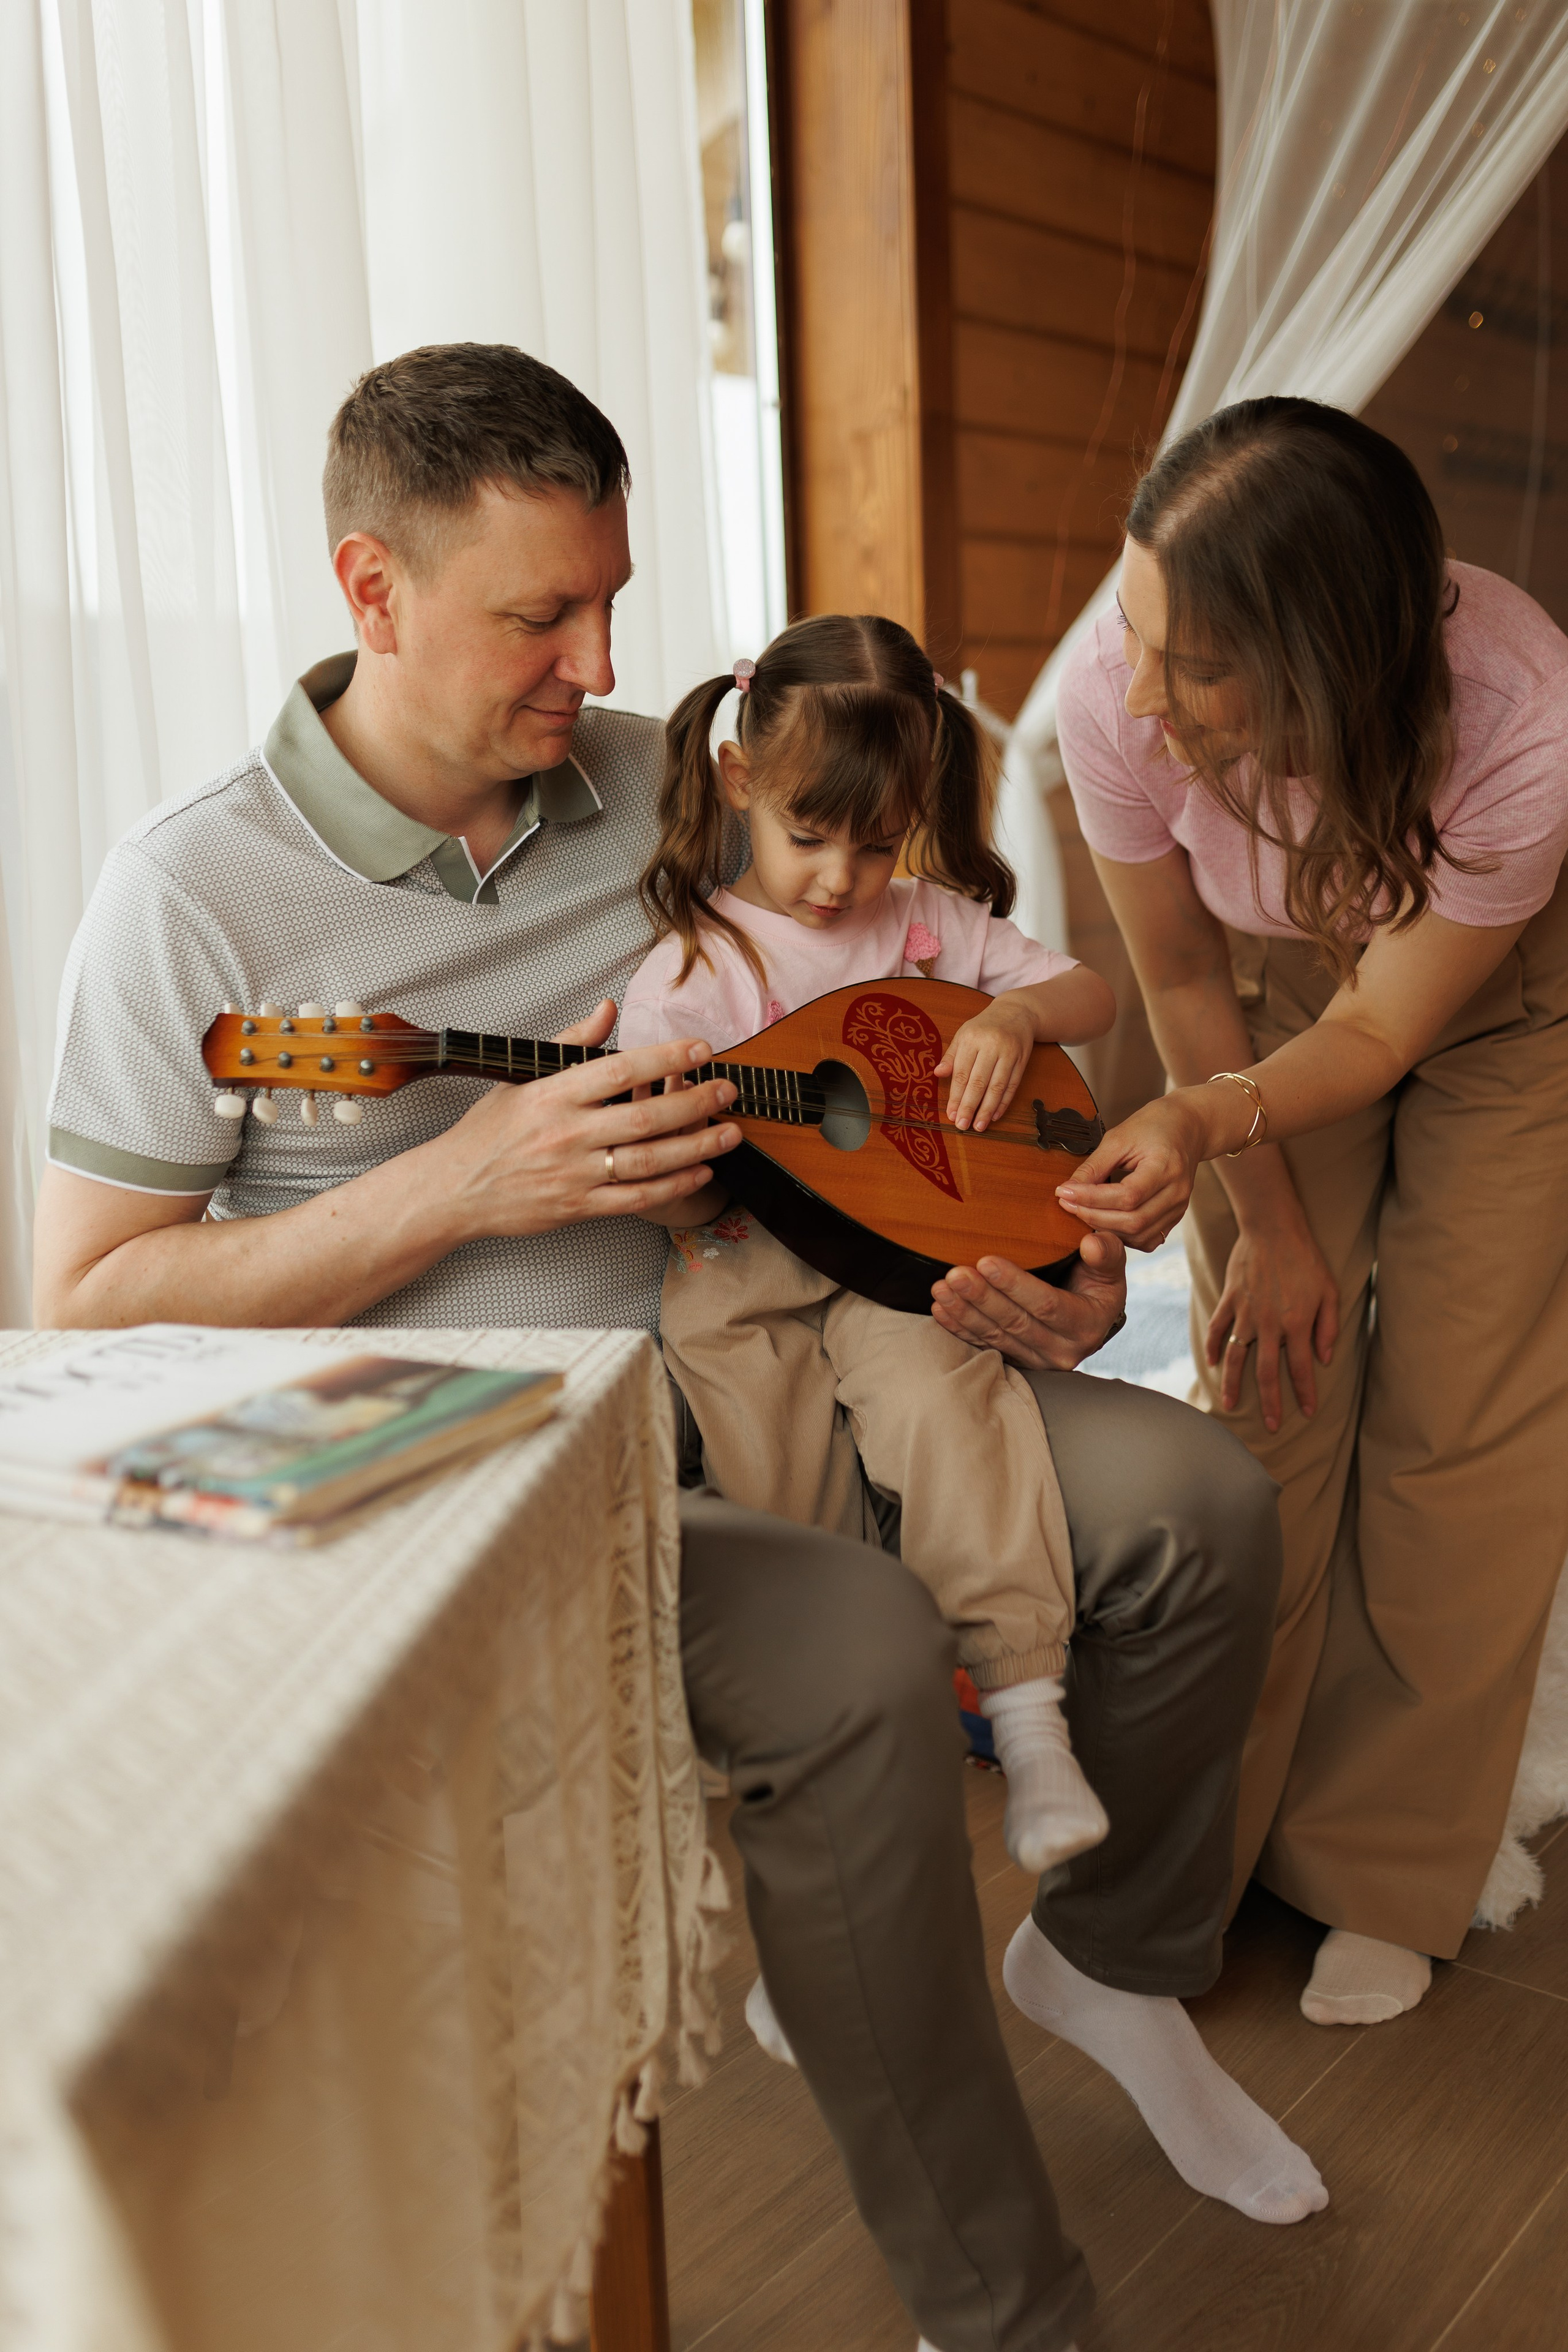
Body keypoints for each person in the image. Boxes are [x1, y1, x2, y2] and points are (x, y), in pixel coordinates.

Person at [32, 344, 1324, 2352]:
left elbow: (916, 1016)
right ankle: (1014, 2315)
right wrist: (454, 1187)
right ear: (371, 593)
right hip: (525, 1458)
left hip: (852, 1332)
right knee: (858, 1654)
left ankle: (1117, 1968)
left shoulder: (701, 778)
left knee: (1203, 1505)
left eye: (614, 599)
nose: (600, 660)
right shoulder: (189, 896)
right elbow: (84, 1299)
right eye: (540, 614)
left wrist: (1049, 1252)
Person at [1054, 396, 1568, 2034]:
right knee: (1269, 1395)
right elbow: (1190, 975)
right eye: (1139, 636)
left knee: (1461, 1416)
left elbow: (1387, 1033)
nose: (1143, 692)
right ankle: (1198, 1860)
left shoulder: (1522, 717)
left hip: (1491, 1004)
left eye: (1196, 662)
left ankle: (1387, 1863)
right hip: (1261, 992)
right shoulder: (1112, 703)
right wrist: (1264, 1224)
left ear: (1336, 657)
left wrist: (1211, 1121)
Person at [622, 612, 1117, 1881]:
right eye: (807, 836)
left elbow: (1090, 996)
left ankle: (1024, 1711)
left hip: (903, 1256)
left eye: (877, 841)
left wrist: (1011, 1014)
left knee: (945, 1403)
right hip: (742, 1267)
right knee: (776, 1479)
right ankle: (840, 1793)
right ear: (741, 783)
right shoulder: (694, 968)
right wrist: (678, 1175)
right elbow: (665, 1190)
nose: (840, 878)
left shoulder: (925, 927)